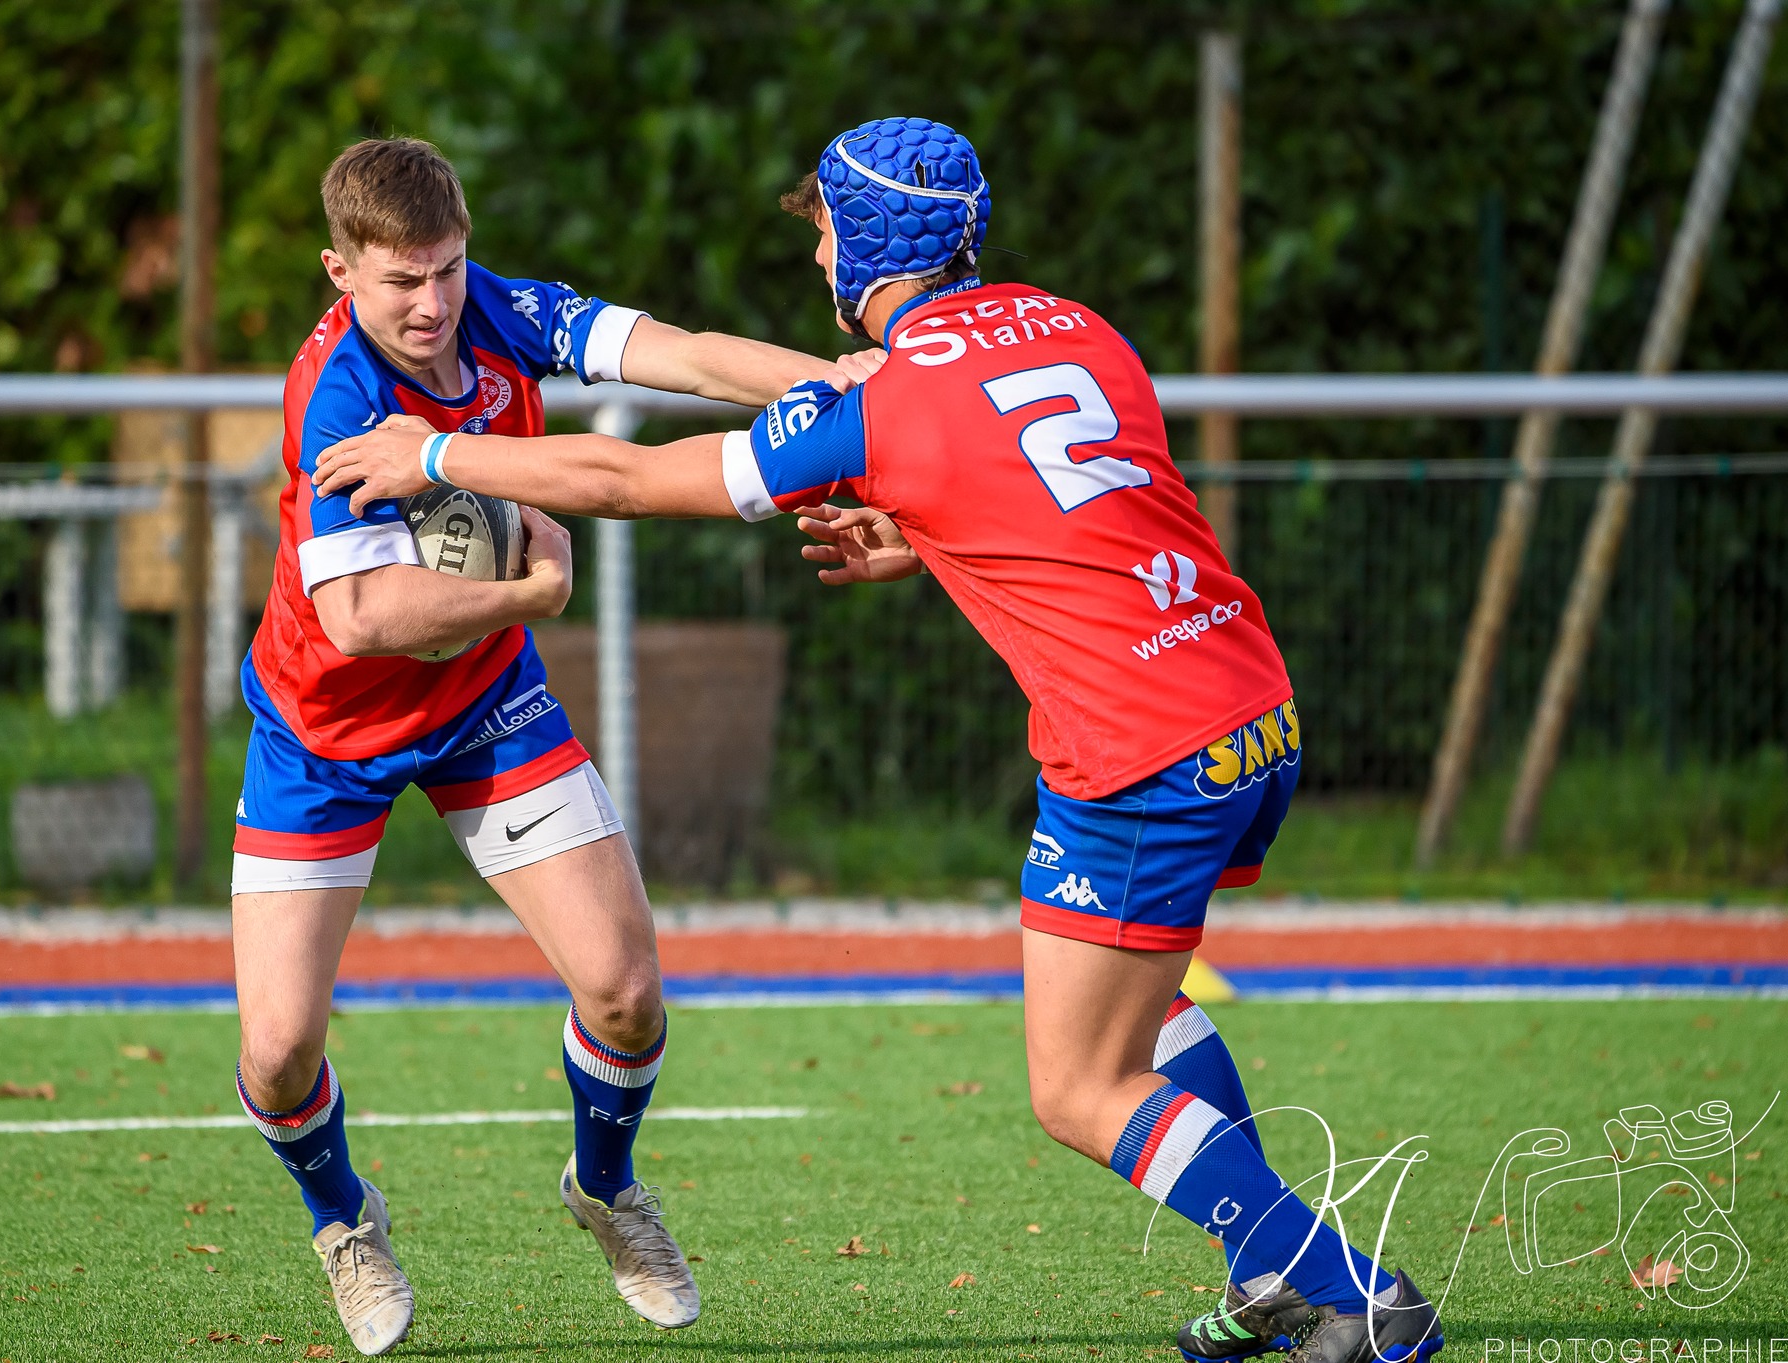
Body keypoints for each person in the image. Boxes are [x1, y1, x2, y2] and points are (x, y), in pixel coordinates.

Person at [309, 118, 1448, 1363]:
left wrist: (434, 452)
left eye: (822, 237)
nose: (816, 266)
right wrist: (929, 540)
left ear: (862, 243)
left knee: (1076, 1086)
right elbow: (1085, 508)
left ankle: (1335, 1278)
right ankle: (1266, 1279)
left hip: (1135, 750)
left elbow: (633, 483)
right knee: (1143, 1005)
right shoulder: (1077, 325)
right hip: (1247, 698)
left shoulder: (888, 399)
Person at [235, 136, 839, 1354]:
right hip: (325, 730)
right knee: (279, 1047)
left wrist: (851, 376)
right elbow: (359, 619)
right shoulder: (338, 392)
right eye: (400, 280)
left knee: (622, 992)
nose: (430, 302)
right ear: (339, 270)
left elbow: (684, 354)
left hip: (484, 708)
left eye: (447, 269)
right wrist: (530, 593)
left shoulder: (504, 312)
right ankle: (343, 1217)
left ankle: (605, 1187)